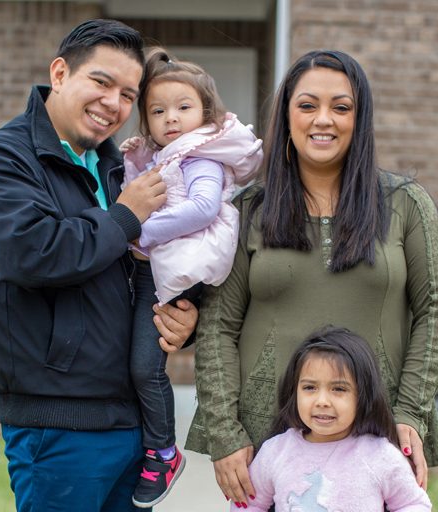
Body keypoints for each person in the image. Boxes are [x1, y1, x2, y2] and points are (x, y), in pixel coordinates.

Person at [185, 50, 438, 506]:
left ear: (360, 118)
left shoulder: (409, 205)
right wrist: (224, 432)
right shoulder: (247, 209)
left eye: (341, 107)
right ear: (286, 115)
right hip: (262, 437)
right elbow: (217, 327)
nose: (323, 120)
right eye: (307, 105)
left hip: (378, 429)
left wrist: (411, 411)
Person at [0, 20, 198, 512]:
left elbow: (152, 265)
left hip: (131, 425)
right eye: (102, 82)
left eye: (129, 94)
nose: (114, 103)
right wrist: (126, 215)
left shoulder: (120, 168)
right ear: (61, 73)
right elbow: (31, 254)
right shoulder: (1, 159)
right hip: (58, 428)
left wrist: (184, 321)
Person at [119, 48, 263, 508]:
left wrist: (136, 231)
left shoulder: (198, 156)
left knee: (145, 365)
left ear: (206, 112)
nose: (171, 119)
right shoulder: (158, 157)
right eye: (158, 111)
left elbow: (202, 208)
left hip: (180, 269)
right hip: (157, 268)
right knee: (134, 362)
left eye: (183, 107)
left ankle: (162, 452)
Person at [237, 327, 432, 511]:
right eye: (310, 387)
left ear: (363, 396)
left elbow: (413, 503)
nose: (322, 401)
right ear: (293, 391)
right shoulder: (275, 452)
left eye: (338, 389)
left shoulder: (381, 456)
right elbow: (251, 504)